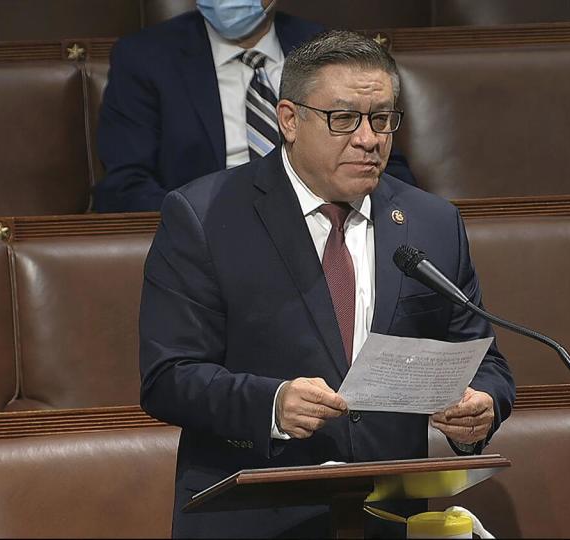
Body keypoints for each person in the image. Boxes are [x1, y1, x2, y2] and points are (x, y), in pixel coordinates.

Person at [139, 30, 514, 538]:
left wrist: (481, 409)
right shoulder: (204, 217)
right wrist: (272, 403)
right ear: (289, 120)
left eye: (382, 119)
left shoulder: (432, 222)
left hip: (389, 519)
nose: (368, 138)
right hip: (255, 518)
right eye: (343, 119)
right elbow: (167, 377)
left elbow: (482, 358)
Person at [93, 0, 418, 213]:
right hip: (210, 237)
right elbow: (125, 186)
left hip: (325, 227)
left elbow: (389, 169)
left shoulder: (330, 50)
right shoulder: (145, 57)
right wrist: (209, 221)